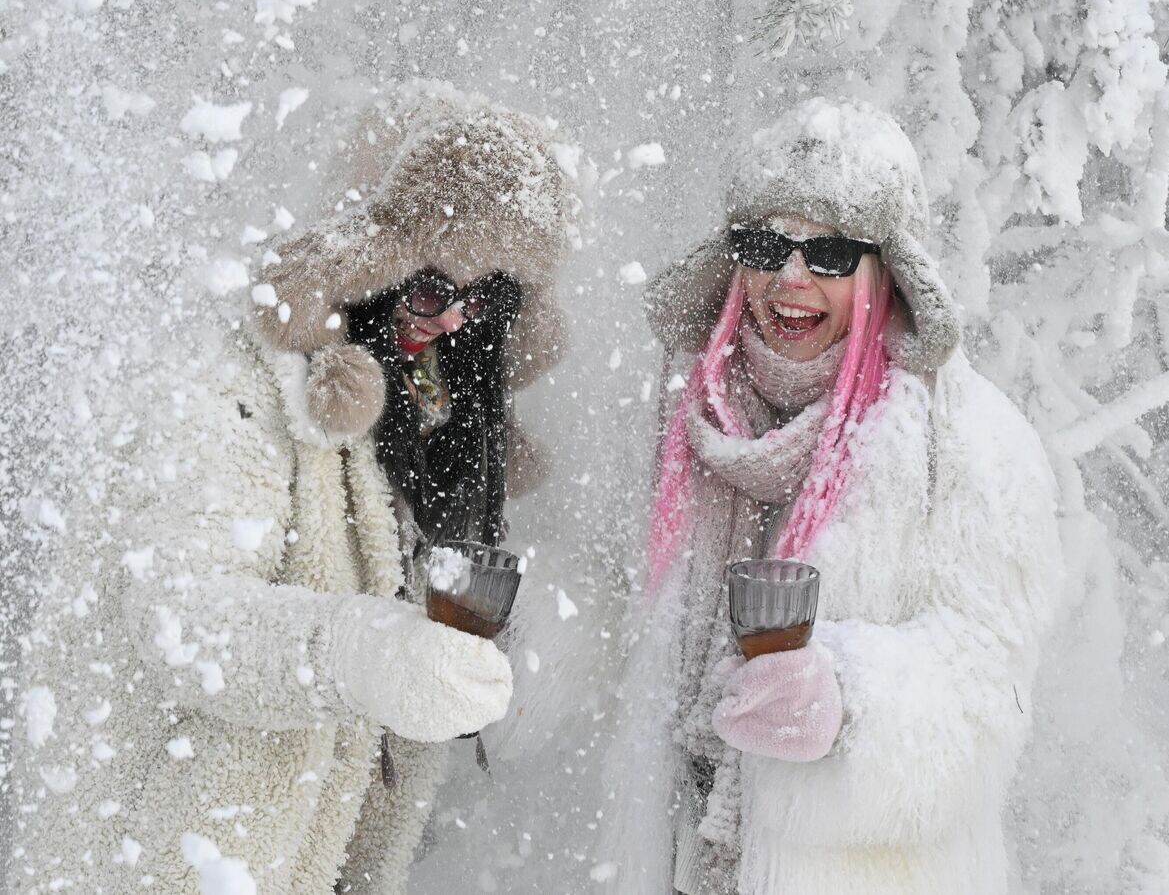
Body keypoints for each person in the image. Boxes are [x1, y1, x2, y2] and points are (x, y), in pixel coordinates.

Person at [6, 81, 575, 895]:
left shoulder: (432, 411)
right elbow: (183, 618)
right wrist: (366, 651)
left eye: (484, 297)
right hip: (157, 862)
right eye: (427, 289)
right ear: (361, 264)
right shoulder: (233, 384)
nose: (453, 321)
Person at [603, 97, 1064, 895]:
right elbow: (616, 619)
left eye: (829, 253)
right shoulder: (687, 418)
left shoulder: (968, 441)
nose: (789, 277)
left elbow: (994, 691)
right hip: (684, 866)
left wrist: (844, 700)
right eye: (766, 244)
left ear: (885, 269)